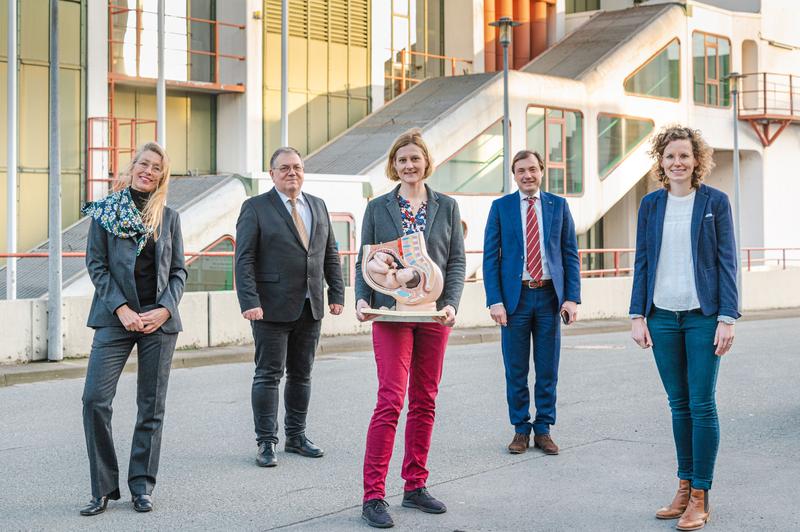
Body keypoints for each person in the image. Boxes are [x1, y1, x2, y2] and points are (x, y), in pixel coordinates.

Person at [355, 129, 465, 529]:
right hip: (390, 315)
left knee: (425, 400)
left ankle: (415, 485)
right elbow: (364, 258)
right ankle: (373, 495)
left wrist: (451, 304)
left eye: (415, 159)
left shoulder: (447, 207)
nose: (409, 165)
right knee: (390, 400)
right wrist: (362, 300)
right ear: (394, 165)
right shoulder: (378, 207)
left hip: (434, 316)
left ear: (426, 162)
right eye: (402, 160)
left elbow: (455, 262)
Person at [629, 125, 738, 531]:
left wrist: (727, 317)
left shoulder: (715, 202)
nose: (677, 162)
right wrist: (637, 314)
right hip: (661, 316)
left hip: (703, 316)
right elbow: (642, 261)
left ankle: (700, 495)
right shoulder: (650, 205)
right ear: (661, 161)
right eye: (670, 156)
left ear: (697, 161)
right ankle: (683, 484)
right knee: (678, 404)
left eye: (685, 156)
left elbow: (727, 261)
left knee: (701, 403)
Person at [80, 142, 187, 516]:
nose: (149, 170)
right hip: (115, 318)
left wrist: (164, 310)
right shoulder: (108, 211)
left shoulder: (168, 217)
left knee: (151, 407)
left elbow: (178, 272)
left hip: (159, 322)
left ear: (162, 176)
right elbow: (97, 265)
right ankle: (103, 488)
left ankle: (142, 485)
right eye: (144, 163)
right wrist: (122, 308)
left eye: (157, 167)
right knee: (94, 400)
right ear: (132, 166)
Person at [235, 146, 345, 468]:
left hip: (310, 305)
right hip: (269, 307)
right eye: (284, 168)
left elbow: (329, 253)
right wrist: (250, 301)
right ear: (272, 174)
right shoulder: (255, 208)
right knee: (268, 375)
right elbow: (244, 259)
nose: (291, 173)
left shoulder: (318, 205)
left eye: (296, 167)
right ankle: (266, 442)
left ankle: (296, 437)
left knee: (302, 374)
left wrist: (336, 292)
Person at [482, 150, 581, 456]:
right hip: (516, 299)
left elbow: (570, 254)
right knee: (516, 368)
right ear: (514, 175)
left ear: (541, 171)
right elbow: (490, 258)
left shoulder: (558, 205)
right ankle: (521, 429)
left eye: (533, 169)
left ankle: (544, 428)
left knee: (548, 367)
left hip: (550, 297)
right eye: (521, 170)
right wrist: (495, 300)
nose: (527, 175)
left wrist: (572, 297)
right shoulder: (501, 208)